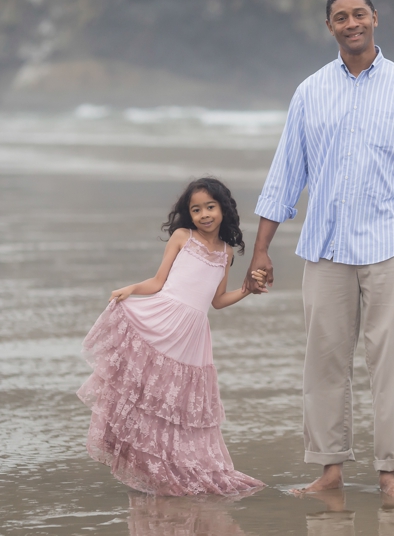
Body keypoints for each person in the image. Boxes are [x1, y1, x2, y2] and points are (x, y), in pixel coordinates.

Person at [248, 0, 394, 499]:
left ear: (375, 18)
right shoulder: (309, 92)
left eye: (359, 14)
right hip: (325, 248)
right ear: (329, 26)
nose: (351, 23)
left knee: (391, 364)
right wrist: (261, 248)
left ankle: (392, 472)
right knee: (324, 363)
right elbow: (286, 174)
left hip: (391, 245)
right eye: (341, 17)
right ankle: (329, 471)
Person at [80, 177, 264, 496]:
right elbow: (158, 281)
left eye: (210, 207)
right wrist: (132, 289)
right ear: (188, 214)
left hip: (192, 335)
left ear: (223, 209)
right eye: (196, 209)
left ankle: (174, 466)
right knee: (148, 395)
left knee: (177, 404)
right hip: (164, 319)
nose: (204, 214)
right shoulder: (183, 237)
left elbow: (218, 301)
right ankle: (144, 462)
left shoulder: (226, 253)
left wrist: (247, 290)